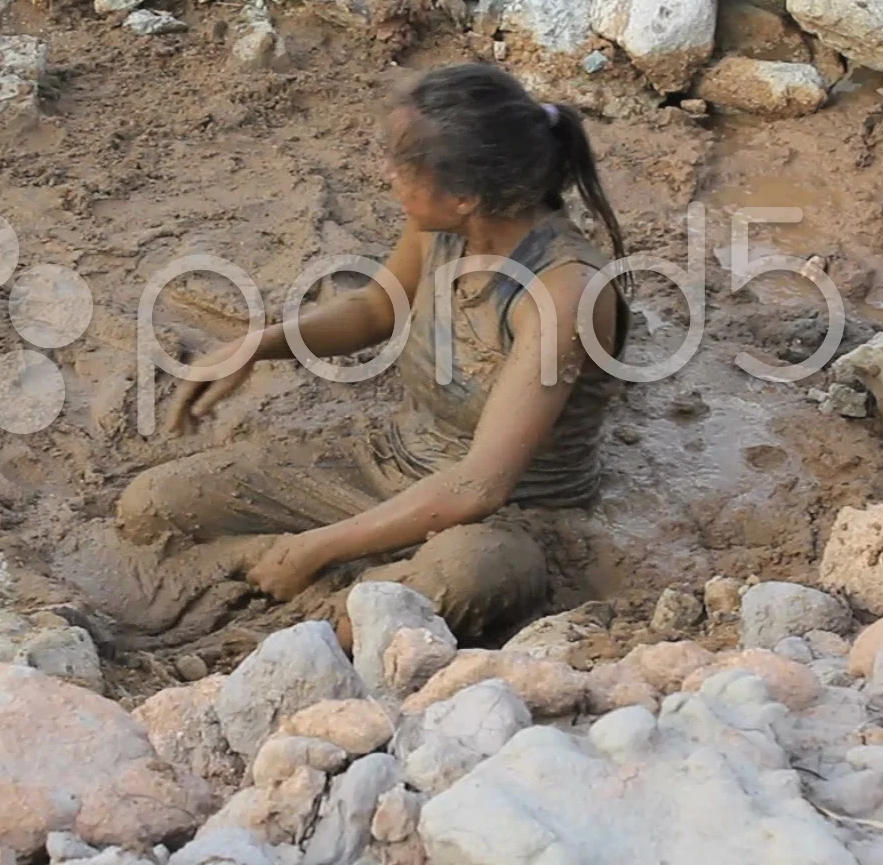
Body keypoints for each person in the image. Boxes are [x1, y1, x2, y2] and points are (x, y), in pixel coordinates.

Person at [116, 63, 629, 638]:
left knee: (465, 577)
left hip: (506, 516)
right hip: (396, 462)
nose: (387, 174)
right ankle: (347, 582)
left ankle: (338, 605)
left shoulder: (563, 292)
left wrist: (315, 548)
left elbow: (479, 485)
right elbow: (378, 308)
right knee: (153, 504)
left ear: (465, 195)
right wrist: (258, 344)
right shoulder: (447, 225)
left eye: (402, 166)